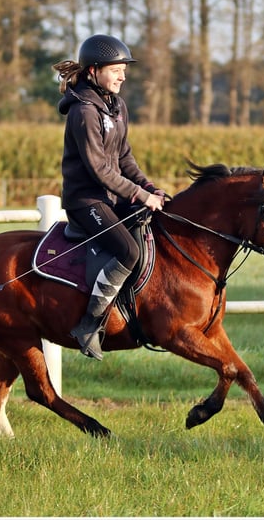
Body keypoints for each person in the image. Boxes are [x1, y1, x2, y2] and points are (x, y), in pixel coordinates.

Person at [53, 34, 165, 361]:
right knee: (128, 250)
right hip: (86, 202)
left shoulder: (116, 106)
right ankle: (89, 323)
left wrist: (150, 188)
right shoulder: (84, 112)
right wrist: (139, 194)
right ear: (94, 71)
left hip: (112, 197)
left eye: (123, 70)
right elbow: (99, 169)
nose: (123, 76)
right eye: (116, 70)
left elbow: (125, 157)